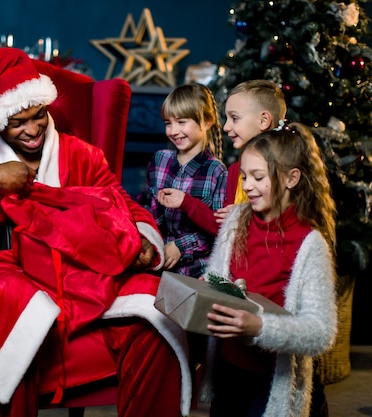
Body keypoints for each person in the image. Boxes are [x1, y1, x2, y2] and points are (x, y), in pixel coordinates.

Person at [0, 47, 193, 417]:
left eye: (38, 116)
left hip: (78, 267)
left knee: (154, 305)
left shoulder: (81, 155)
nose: (33, 130)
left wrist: (140, 240)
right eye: (18, 122)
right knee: (17, 302)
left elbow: (122, 203)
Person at [202, 122, 338, 417]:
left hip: (268, 382)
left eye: (258, 177)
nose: (247, 186)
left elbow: (320, 332)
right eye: (244, 176)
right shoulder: (236, 219)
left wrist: (259, 327)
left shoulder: (309, 243)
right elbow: (219, 279)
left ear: (292, 178)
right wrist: (207, 287)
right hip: (228, 370)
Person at [158, 80, 286, 236]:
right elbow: (220, 228)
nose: (226, 127)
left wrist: (243, 215)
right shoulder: (234, 172)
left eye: (234, 118)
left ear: (263, 120)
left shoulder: (284, 169)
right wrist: (186, 202)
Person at [138, 83, 227, 278]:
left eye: (181, 122)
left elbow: (220, 231)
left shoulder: (216, 172)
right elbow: (144, 205)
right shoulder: (160, 160)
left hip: (194, 272)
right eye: (168, 123)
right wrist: (146, 238)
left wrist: (181, 247)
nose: (173, 131)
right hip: (154, 264)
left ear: (207, 121)